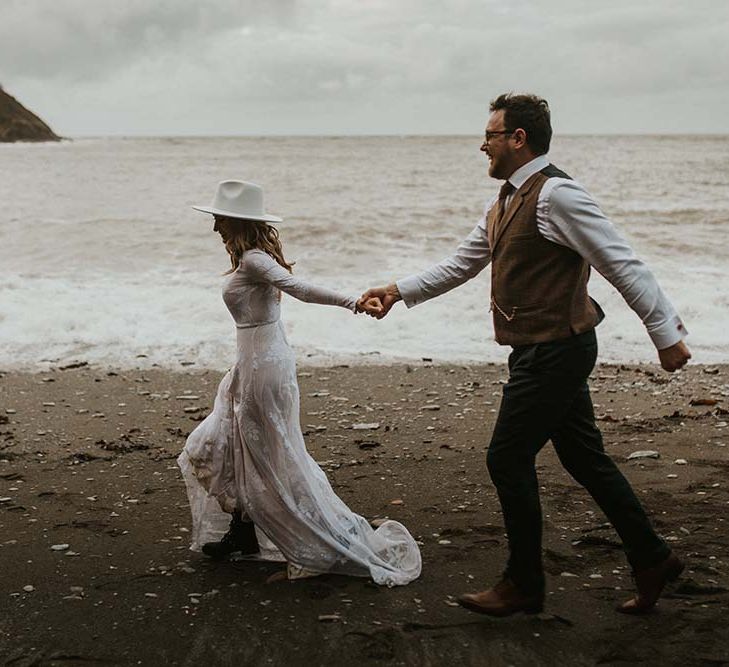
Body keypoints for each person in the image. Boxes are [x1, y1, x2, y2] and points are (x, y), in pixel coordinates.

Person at [359, 93, 691, 614]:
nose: (482, 146)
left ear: (518, 139)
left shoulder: (558, 195)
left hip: (558, 351)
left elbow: (622, 262)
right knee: (586, 459)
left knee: (507, 459)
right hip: (537, 351)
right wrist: (397, 290)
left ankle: (525, 583)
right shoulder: (506, 201)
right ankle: (652, 558)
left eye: (490, 136)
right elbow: (462, 263)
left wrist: (664, 333)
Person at [178, 179, 421, 587]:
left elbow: (301, 288)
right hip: (254, 361)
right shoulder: (249, 260)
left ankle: (315, 540)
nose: (215, 225)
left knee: (270, 455)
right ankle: (242, 534)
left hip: (263, 366)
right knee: (231, 444)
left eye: (220, 217)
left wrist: (353, 302)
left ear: (237, 221)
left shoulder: (255, 260)